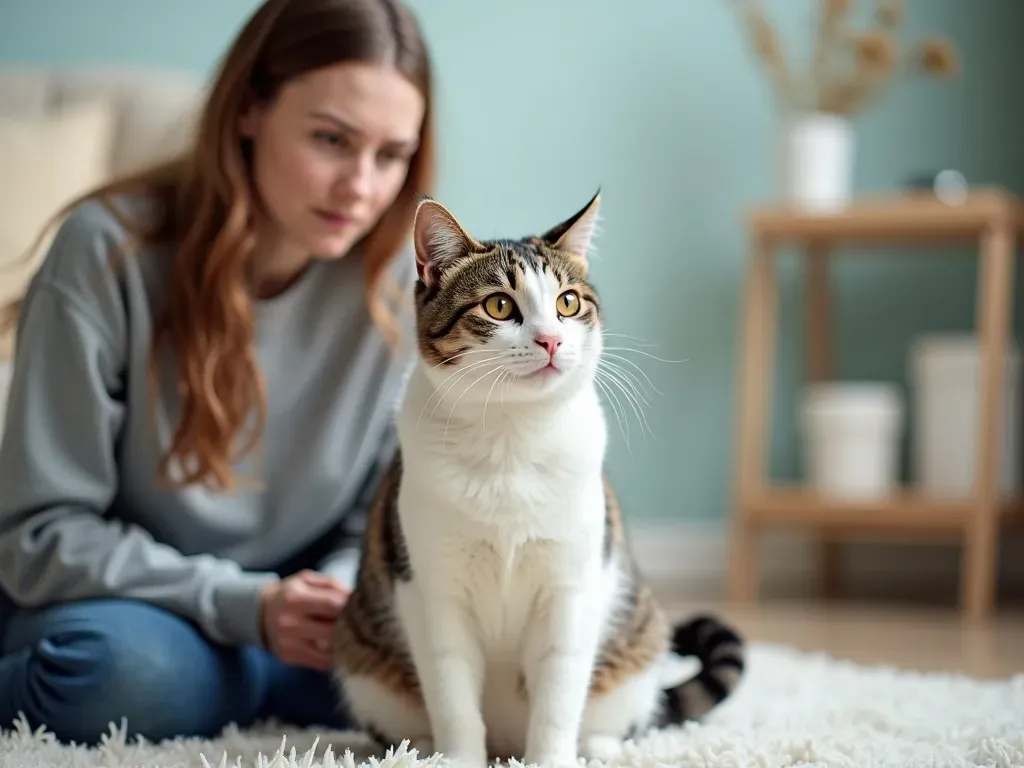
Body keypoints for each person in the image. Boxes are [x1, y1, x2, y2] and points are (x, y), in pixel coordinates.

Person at [0, 0, 433, 746]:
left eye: (391, 155)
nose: (360, 187)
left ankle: (241, 684)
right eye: (332, 140)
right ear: (249, 110)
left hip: (297, 616)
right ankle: (249, 685)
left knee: (459, 677)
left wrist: (334, 597)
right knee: (126, 676)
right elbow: (38, 536)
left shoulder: (399, 279)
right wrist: (247, 609)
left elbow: (375, 517)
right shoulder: (106, 253)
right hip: (133, 605)